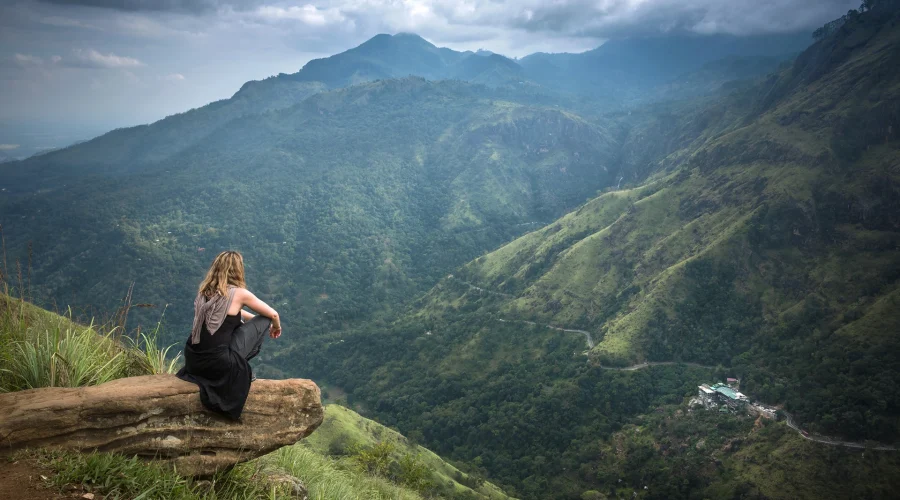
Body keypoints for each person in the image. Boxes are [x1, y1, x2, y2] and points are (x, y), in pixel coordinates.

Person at [176, 250, 282, 420]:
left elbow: (230, 315)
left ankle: (235, 364)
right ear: (238, 270)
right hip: (218, 363)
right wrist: (274, 326)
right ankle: (237, 367)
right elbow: (273, 315)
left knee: (257, 321)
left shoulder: (204, 291)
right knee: (264, 320)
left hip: (194, 361)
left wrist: (253, 321)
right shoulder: (240, 293)